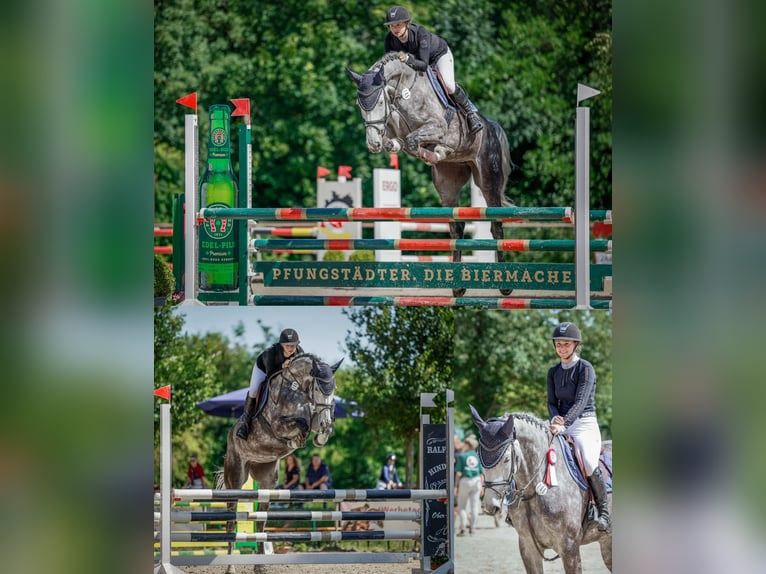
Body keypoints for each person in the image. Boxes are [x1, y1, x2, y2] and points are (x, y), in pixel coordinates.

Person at [547, 322, 610, 531]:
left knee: (587, 460)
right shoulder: (553, 372)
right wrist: (556, 419)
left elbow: (581, 401)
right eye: (558, 344)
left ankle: (602, 512)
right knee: (539, 451)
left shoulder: (586, 368)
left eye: (566, 344)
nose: (562, 348)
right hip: (561, 424)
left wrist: (563, 422)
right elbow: (550, 403)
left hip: (584, 424)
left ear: (575, 345)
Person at [383, 5, 484, 135]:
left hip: (438, 56)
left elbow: (424, 65)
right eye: (392, 26)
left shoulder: (420, 33)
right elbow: (391, 65)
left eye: (398, 25)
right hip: (415, 64)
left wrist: (407, 59)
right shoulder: (389, 40)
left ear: (407, 23)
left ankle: (471, 114)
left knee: (448, 85)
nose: (395, 29)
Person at [237, 328, 304, 440]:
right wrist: (283, 366)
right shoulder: (271, 352)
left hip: (286, 374)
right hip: (264, 370)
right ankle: (245, 424)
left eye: (293, 345)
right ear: (281, 345)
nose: (291, 348)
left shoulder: (300, 352)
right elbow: (270, 375)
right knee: (253, 391)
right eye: (287, 345)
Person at [455, 435, 482, 536]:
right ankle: (473, 528)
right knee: (474, 506)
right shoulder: (476, 456)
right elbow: (481, 472)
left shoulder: (462, 456)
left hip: (465, 481)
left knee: (462, 506)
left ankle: (463, 527)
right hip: (476, 481)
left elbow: (458, 473)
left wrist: (456, 486)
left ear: (468, 445)